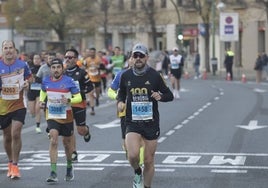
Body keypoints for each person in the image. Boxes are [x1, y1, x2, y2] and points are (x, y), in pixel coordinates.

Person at [117, 43, 174, 188]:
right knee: (132, 155)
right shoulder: (125, 75)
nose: (138, 58)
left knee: (149, 160)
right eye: (135, 55)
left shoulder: (155, 76)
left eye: (141, 55)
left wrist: (160, 96)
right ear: (131, 58)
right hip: (132, 121)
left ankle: (147, 186)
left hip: (151, 122)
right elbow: (121, 93)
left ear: (146, 57)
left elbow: (169, 95)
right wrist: (120, 102)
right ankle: (137, 171)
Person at [39, 58, 82, 183]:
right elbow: (43, 92)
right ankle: (53, 172)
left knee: (67, 144)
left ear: (62, 69)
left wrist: (69, 101)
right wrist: (42, 101)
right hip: (52, 115)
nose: (56, 70)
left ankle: (69, 166)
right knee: (53, 139)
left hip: (66, 116)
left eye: (58, 67)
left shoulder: (69, 81)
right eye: (53, 67)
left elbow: (78, 97)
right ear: (50, 69)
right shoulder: (46, 80)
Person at [0, 40, 32, 179]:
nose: (8, 50)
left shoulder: (22, 64)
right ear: (2, 50)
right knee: (7, 137)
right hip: (3, 105)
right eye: (5, 48)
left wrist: (27, 83)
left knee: (16, 133)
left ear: (14, 49)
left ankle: (16, 165)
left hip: (19, 104)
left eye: (10, 48)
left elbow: (30, 78)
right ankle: (10, 162)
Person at [64, 48, 93, 162]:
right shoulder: (63, 72)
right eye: (66, 57)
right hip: (67, 104)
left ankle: (86, 131)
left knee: (80, 130)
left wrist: (81, 92)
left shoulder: (81, 72)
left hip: (79, 104)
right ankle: (73, 152)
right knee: (69, 130)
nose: (67, 59)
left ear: (76, 59)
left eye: (70, 57)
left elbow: (90, 86)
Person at [84, 47, 102, 115]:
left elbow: (102, 67)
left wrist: (99, 68)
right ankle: (92, 109)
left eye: (93, 52)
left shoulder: (98, 59)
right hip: (90, 78)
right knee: (91, 94)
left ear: (95, 52)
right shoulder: (87, 60)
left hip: (97, 78)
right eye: (90, 52)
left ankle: (97, 98)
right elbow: (84, 67)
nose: (92, 53)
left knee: (97, 92)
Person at [27, 53, 42, 133]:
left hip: (39, 91)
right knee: (32, 111)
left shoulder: (43, 68)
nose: (36, 60)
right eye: (35, 58)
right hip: (31, 91)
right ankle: (33, 113)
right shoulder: (29, 68)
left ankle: (38, 126)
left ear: (40, 60)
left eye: (38, 58)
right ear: (33, 60)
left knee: (37, 109)